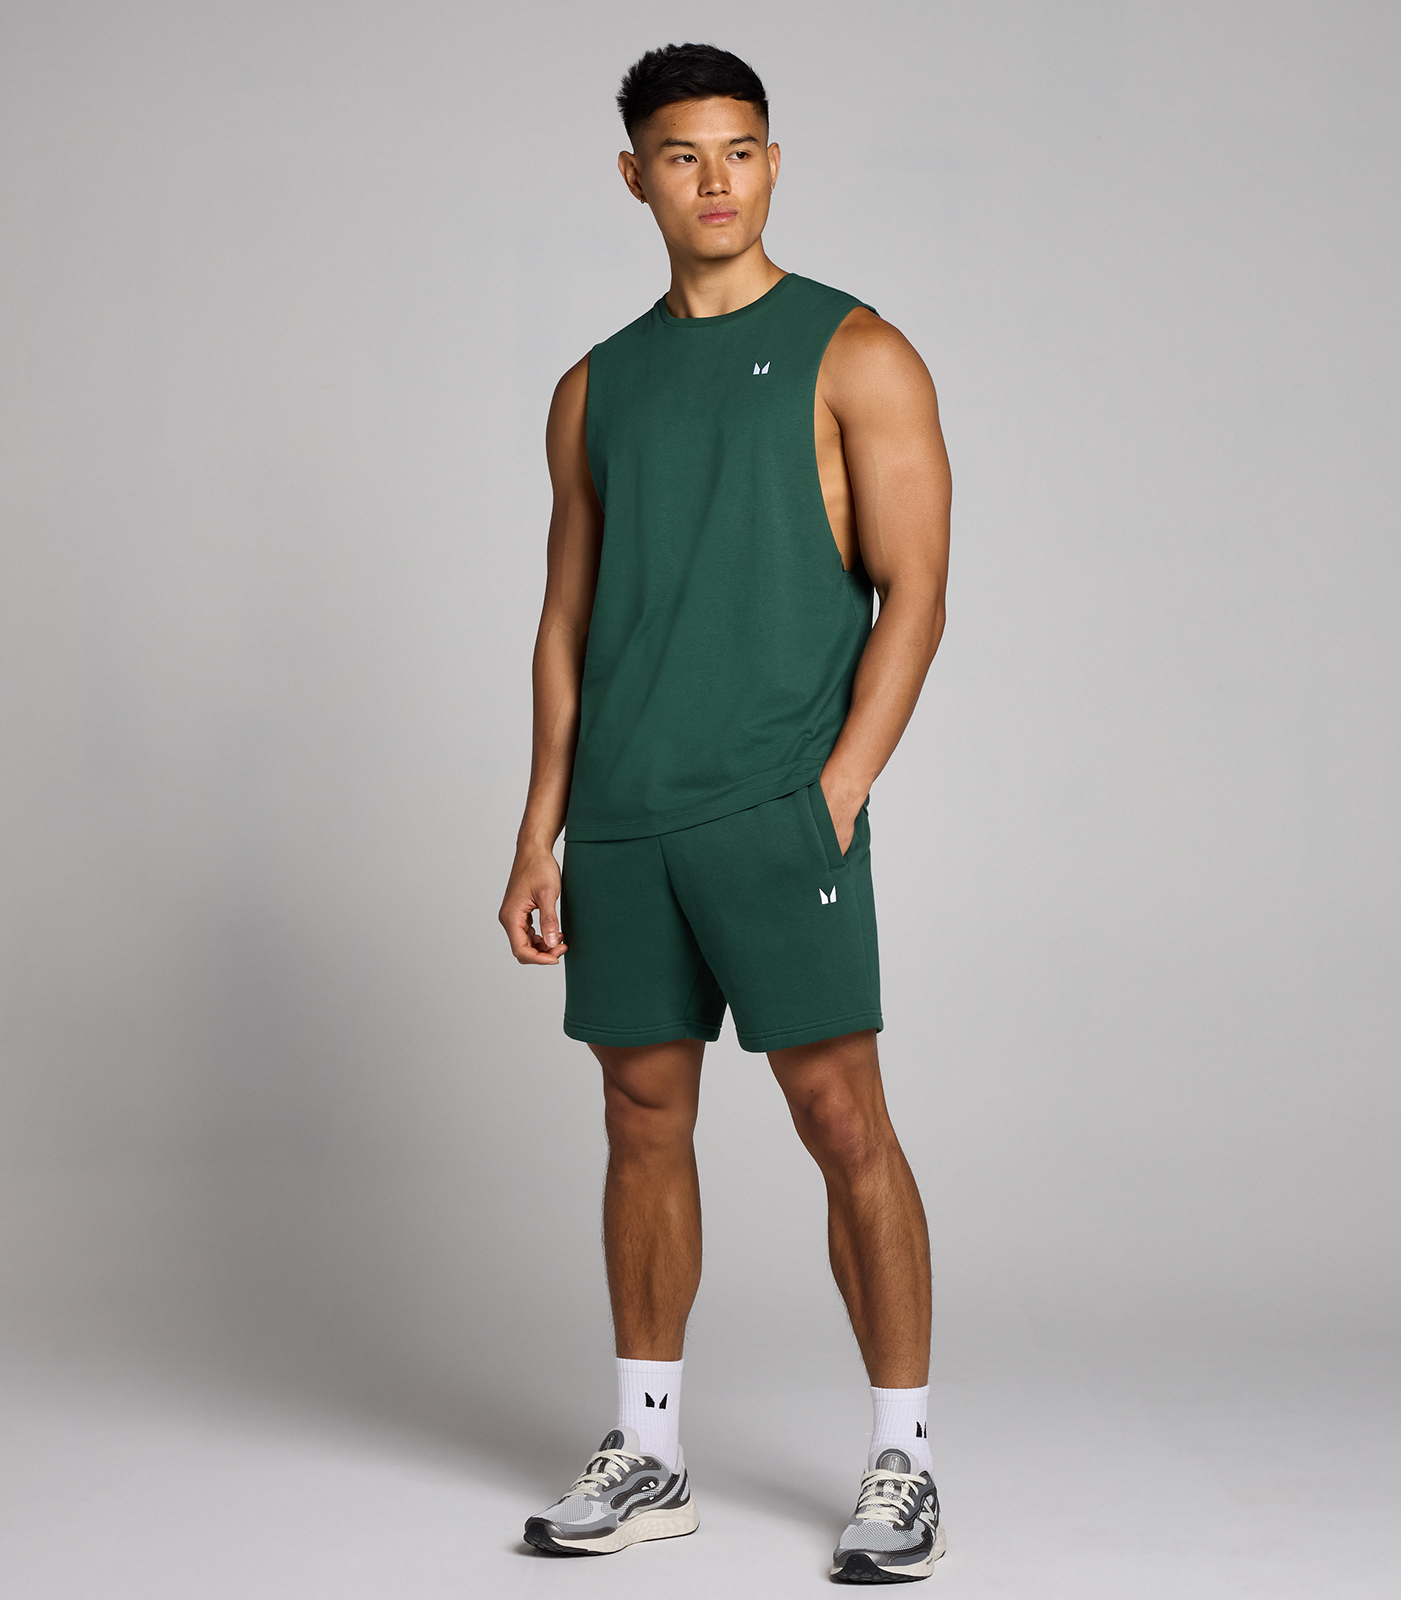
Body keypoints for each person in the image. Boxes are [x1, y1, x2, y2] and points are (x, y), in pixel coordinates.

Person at [498, 41, 951, 1583]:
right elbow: (567, 621)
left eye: (741, 150)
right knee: (640, 1121)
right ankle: (649, 1452)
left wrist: (840, 789)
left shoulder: (857, 353)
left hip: (777, 809)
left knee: (843, 1121)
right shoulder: (594, 388)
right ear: (635, 175)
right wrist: (539, 829)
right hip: (626, 819)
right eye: (684, 155)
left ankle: (905, 1462)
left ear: (771, 162)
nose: (716, 181)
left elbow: (915, 592)